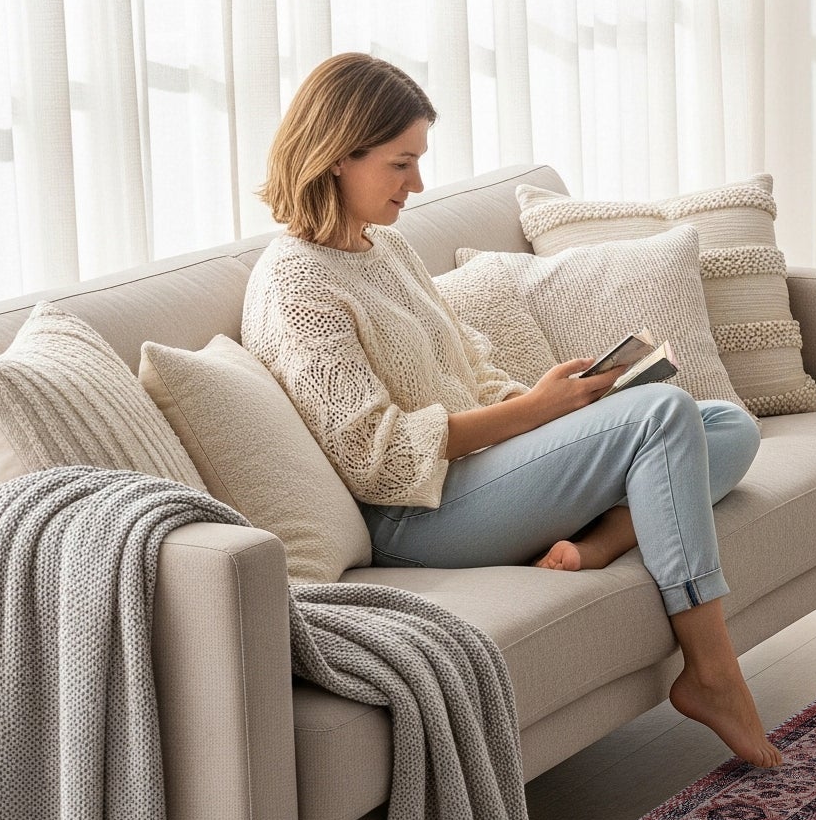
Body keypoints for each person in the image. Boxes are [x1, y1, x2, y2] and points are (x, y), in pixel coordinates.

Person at [244, 52, 780, 768]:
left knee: (724, 424)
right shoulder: (296, 284)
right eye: (401, 164)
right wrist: (536, 413)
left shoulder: (389, 248)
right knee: (660, 417)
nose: (418, 184)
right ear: (339, 155)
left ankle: (599, 543)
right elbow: (380, 459)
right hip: (417, 513)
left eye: (418, 162)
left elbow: (469, 365)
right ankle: (712, 674)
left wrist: (554, 404)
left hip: (483, 471)